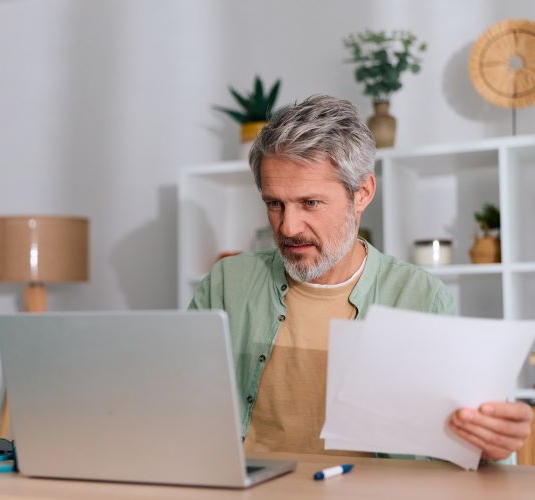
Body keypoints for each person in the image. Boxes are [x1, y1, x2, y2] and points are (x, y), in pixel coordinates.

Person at [188, 95, 532, 462]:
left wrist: (489, 447)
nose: (288, 226)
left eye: (310, 203)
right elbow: (180, 402)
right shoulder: (227, 284)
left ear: (362, 193)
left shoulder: (420, 296)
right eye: (275, 204)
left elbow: (458, 450)